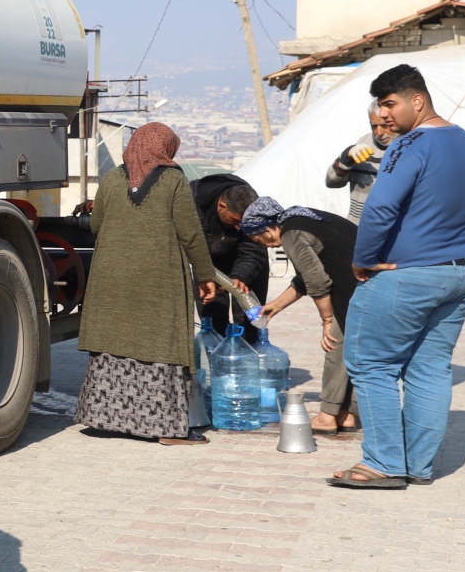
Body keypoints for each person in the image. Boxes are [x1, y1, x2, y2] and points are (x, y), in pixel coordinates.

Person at [332, 65, 465, 488]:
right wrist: (453, 223)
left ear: (418, 100)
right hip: (459, 272)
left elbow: (378, 207)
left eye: (390, 104)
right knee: (429, 368)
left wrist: (364, 258)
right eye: (380, 106)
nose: (384, 114)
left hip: (406, 275)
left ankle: (383, 464)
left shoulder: (408, 145)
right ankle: (418, 467)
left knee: (371, 364)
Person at [76, 123, 219, 444]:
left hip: (110, 281)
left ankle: (105, 419)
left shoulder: (111, 179)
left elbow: (96, 225)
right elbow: (191, 233)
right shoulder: (174, 181)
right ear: (165, 149)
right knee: (160, 343)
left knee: (113, 343)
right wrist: (207, 276)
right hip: (158, 282)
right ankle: (166, 429)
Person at [242, 197, 362, 433]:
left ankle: (327, 416)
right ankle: (345, 415)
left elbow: (317, 281)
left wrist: (326, 320)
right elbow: (304, 278)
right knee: (354, 352)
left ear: (267, 230)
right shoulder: (302, 219)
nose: (267, 246)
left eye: (259, 241)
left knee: (335, 346)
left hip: (353, 290)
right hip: (365, 286)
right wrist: (275, 305)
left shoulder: (290, 234)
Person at [191, 174, 269, 341]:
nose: (238, 227)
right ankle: (218, 357)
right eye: (235, 221)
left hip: (247, 262)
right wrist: (204, 272)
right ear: (222, 206)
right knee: (212, 320)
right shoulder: (190, 201)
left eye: (244, 223)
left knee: (249, 321)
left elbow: (254, 248)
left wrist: (241, 275)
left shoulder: (254, 209)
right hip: (207, 265)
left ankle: (247, 357)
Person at [324, 104, 394, 223]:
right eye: (374, 126)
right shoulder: (364, 144)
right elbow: (331, 183)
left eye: (384, 125)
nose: (379, 132)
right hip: (357, 226)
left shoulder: (410, 148)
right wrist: (346, 157)